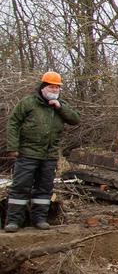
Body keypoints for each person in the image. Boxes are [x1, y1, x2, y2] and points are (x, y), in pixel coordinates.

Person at [4, 71, 81, 232]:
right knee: (20, 186)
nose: (54, 91)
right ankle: (14, 221)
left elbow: (75, 119)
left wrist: (60, 107)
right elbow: (13, 123)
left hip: (49, 155)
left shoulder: (61, 105)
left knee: (45, 188)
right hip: (27, 153)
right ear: (42, 88)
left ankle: (39, 219)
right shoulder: (28, 103)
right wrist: (13, 146)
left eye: (57, 88)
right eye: (51, 87)